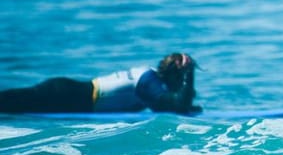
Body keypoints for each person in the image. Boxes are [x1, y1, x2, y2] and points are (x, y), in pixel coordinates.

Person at [0, 53, 200, 114]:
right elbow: (176, 104)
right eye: (181, 78)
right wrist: (190, 75)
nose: (182, 83)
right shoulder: (148, 80)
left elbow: (175, 105)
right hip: (66, 95)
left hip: (69, 96)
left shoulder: (152, 81)